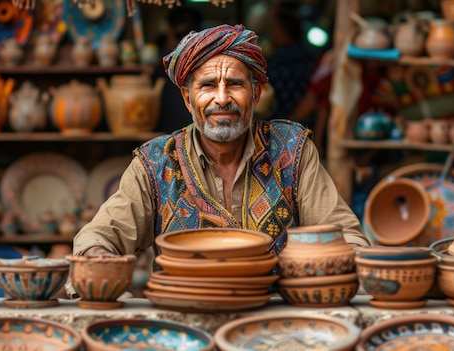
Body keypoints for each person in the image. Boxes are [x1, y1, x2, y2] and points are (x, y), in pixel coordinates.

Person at [72, 24, 370, 260]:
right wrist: (99, 258)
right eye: (207, 85)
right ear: (188, 98)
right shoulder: (156, 162)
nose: (222, 98)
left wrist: (353, 260)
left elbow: (343, 233)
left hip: (276, 318)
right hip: (186, 318)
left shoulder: (292, 149)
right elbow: (100, 237)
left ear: (255, 95)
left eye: (236, 84)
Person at [154, 6, 203, 133]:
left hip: (170, 131)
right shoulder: (204, 60)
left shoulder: (164, 61)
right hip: (195, 130)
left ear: (169, 30)